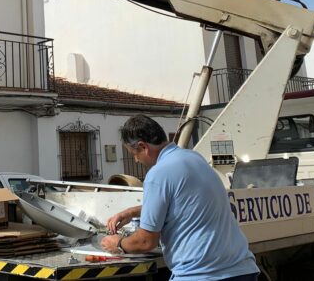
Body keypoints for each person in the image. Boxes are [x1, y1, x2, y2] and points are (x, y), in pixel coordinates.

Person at [101, 115, 259, 281]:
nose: (136, 159)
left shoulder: (158, 174)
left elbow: (146, 242)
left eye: (134, 153)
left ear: (143, 146)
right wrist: (132, 212)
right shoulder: (194, 158)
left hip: (200, 274)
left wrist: (118, 243)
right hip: (242, 270)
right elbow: (184, 203)